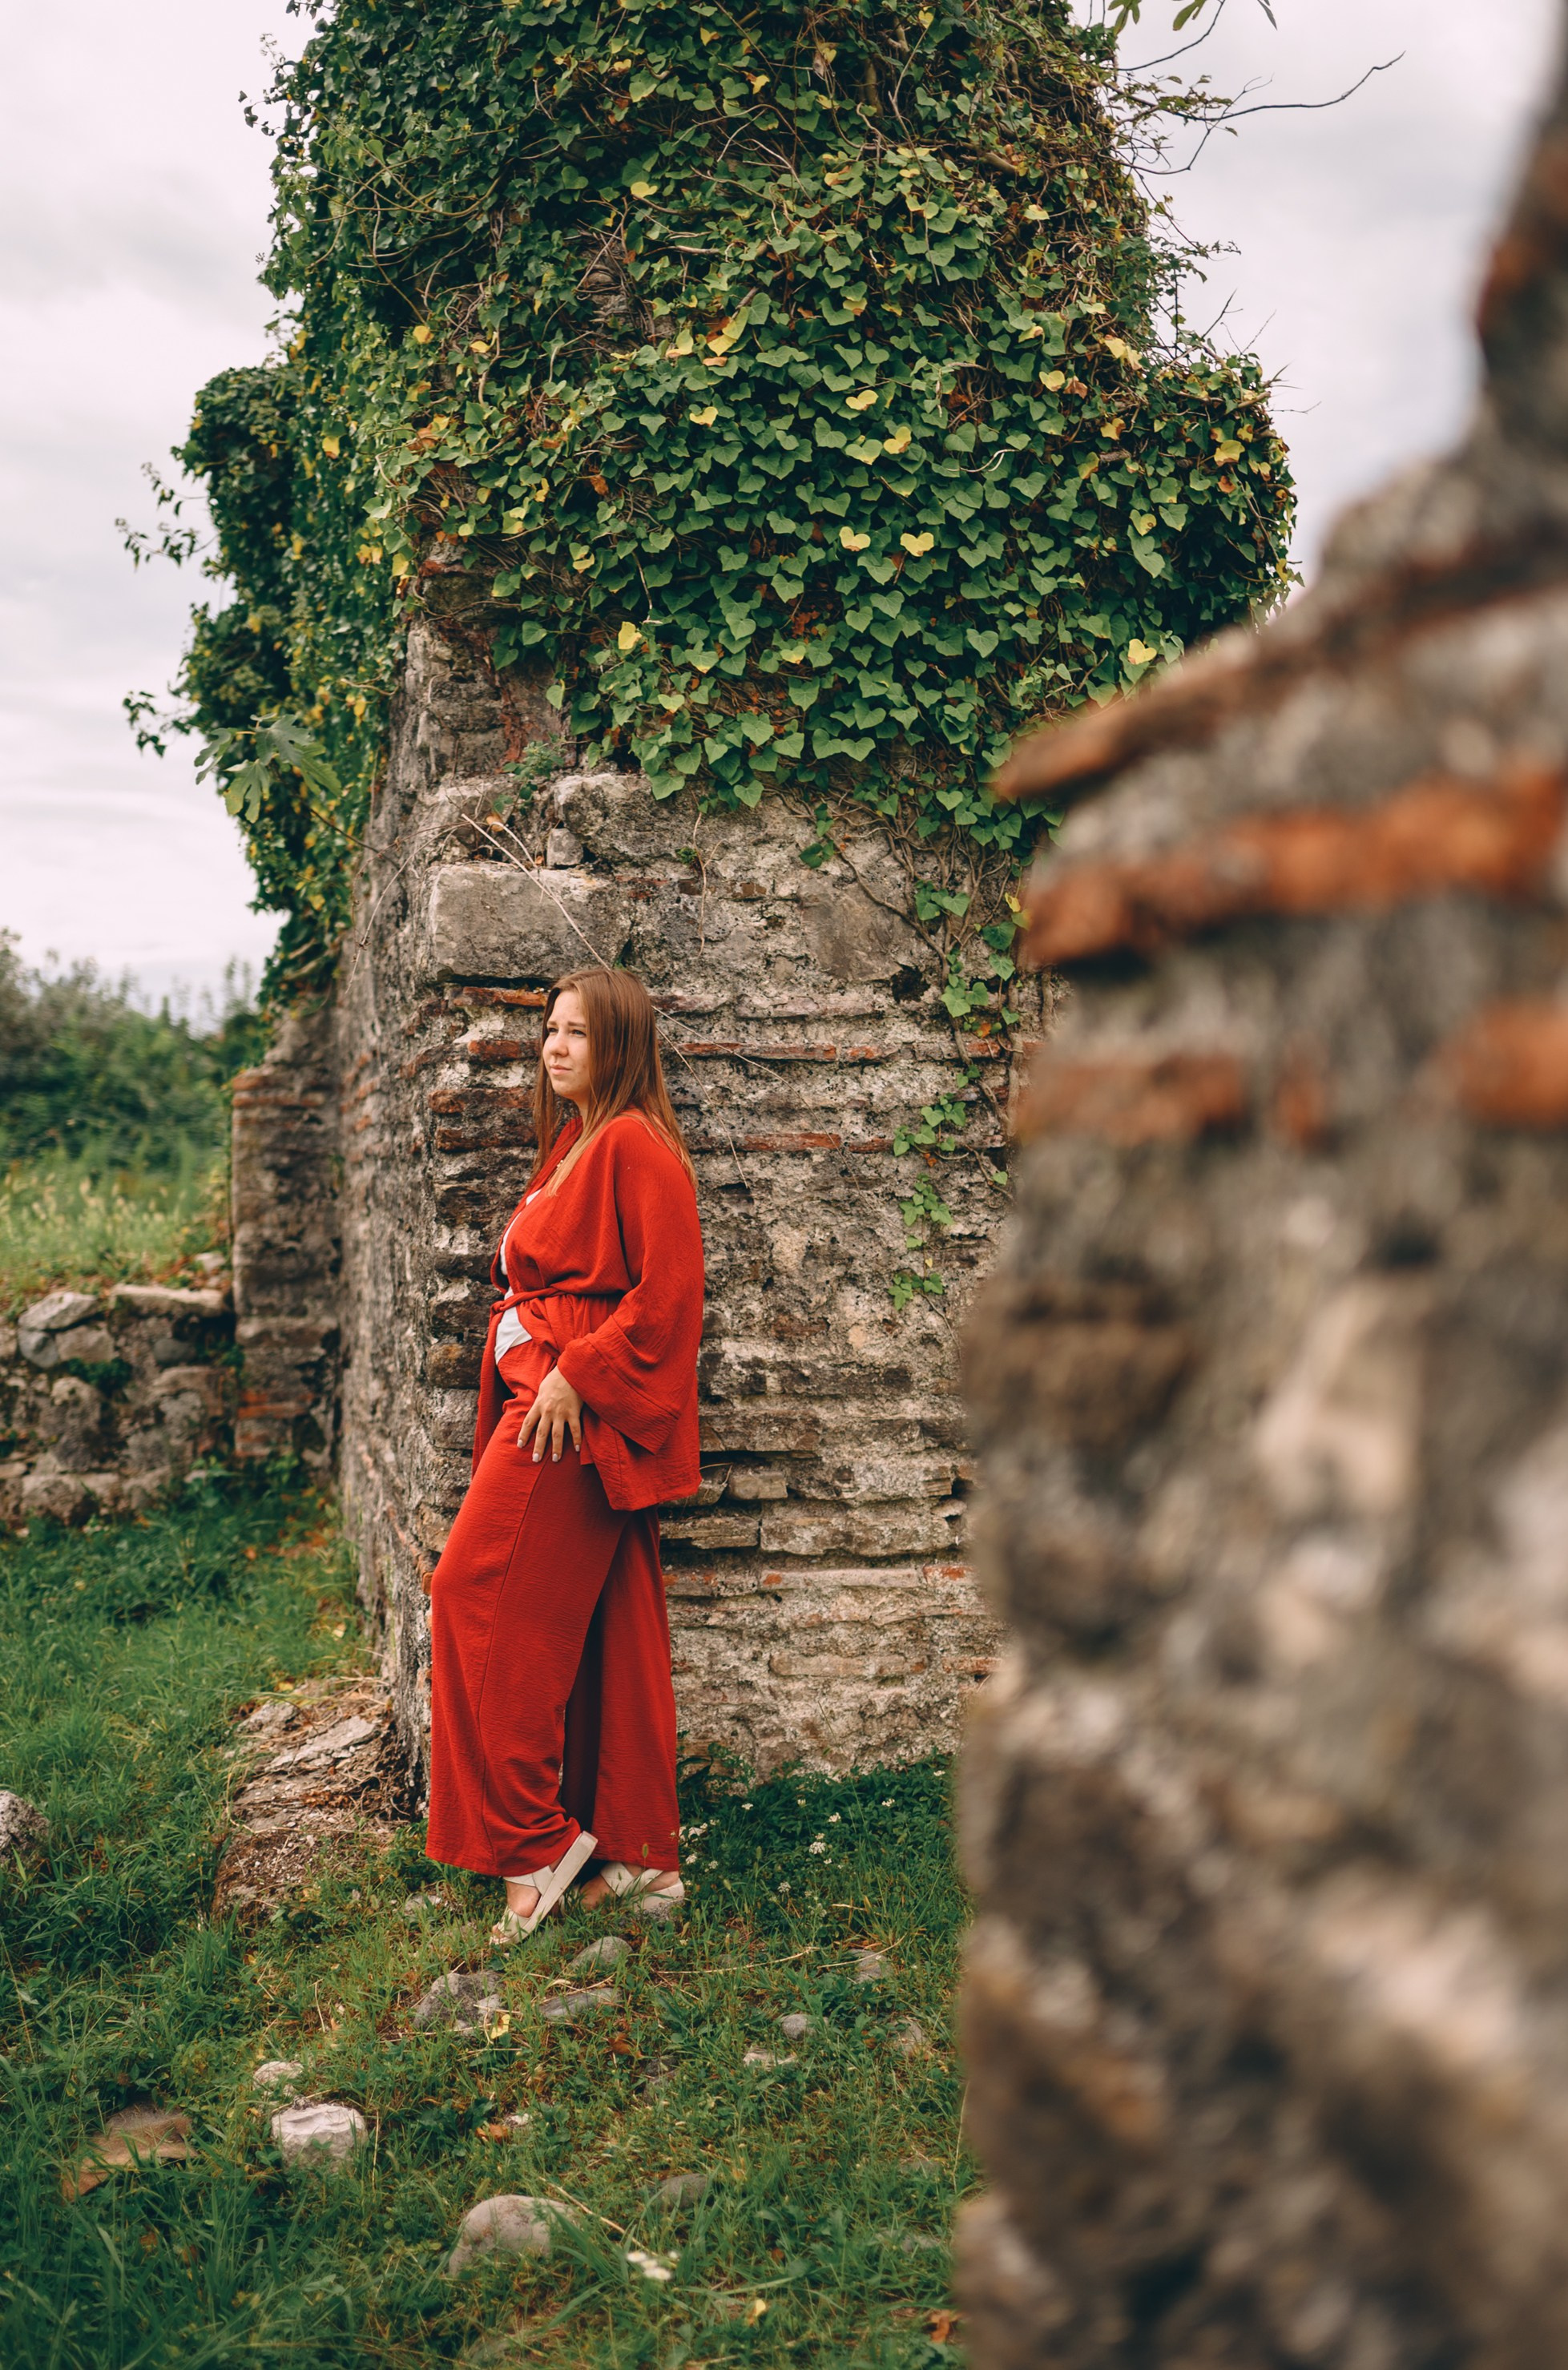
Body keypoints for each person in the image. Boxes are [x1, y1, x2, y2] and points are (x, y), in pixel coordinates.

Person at [425, 965, 705, 1944]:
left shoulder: (635, 1145)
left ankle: (537, 1847)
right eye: (550, 1028)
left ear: (620, 1044)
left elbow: (668, 1299)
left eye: (578, 1033)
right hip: (546, 1399)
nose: (554, 1046)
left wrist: (576, 1373)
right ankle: (638, 1855)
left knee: (469, 1592)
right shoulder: (573, 1145)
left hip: (569, 1420)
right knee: (606, 1628)